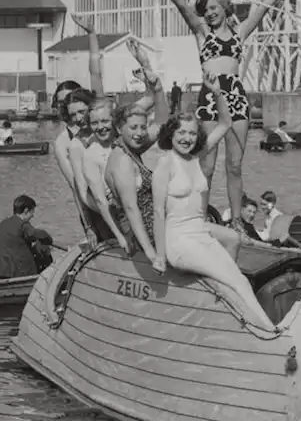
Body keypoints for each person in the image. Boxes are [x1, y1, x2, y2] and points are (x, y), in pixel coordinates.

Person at [159, 0, 301, 239]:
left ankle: (237, 220)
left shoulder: (239, 34)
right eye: (207, 9)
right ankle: (198, 217)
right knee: (207, 166)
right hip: (210, 99)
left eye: (215, 7)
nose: (210, 12)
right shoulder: (202, 34)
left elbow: (263, 7)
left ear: (225, 7)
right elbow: (182, 7)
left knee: (234, 166)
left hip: (236, 98)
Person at [152, 72, 275, 330]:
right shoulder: (166, 164)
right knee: (235, 280)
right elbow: (158, 214)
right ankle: (268, 331)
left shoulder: (196, 158)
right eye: (181, 133)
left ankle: (254, 325)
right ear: (171, 135)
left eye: (192, 134)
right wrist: (160, 257)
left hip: (200, 233)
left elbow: (226, 122)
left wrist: (216, 92)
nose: (187, 138)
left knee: (236, 278)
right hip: (179, 242)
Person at [73, 42, 162, 247]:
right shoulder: (91, 154)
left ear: (114, 120)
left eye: (105, 121)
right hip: (122, 213)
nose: (101, 127)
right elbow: (100, 201)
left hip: (144, 201)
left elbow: (151, 98)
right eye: (95, 123)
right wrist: (121, 237)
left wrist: (144, 63)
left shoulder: (123, 135)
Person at [105, 87, 170, 258]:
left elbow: (162, 123)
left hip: (159, 224)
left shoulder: (131, 150)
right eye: (133, 127)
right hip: (153, 234)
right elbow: (130, 207)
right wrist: (150, 252)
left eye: (143, 127)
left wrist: (157, 88)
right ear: (119, 129)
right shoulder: (122, 160)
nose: (140, 133)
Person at [53, 14, 104, 202]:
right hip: (93, 205)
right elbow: (76, 185)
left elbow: (96, 73)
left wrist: (91, 34)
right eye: (62, 102)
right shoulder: (63, 143)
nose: (67, 105)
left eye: (71, 99)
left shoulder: (100, 123)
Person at [0, 195, 54, 279]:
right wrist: (48, 239)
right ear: (26, 211)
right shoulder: (23, 225)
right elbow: (36, 234)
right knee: (42, 246)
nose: (33, 216)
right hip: (15, 272)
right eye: (32, 212)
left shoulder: (4, 222)